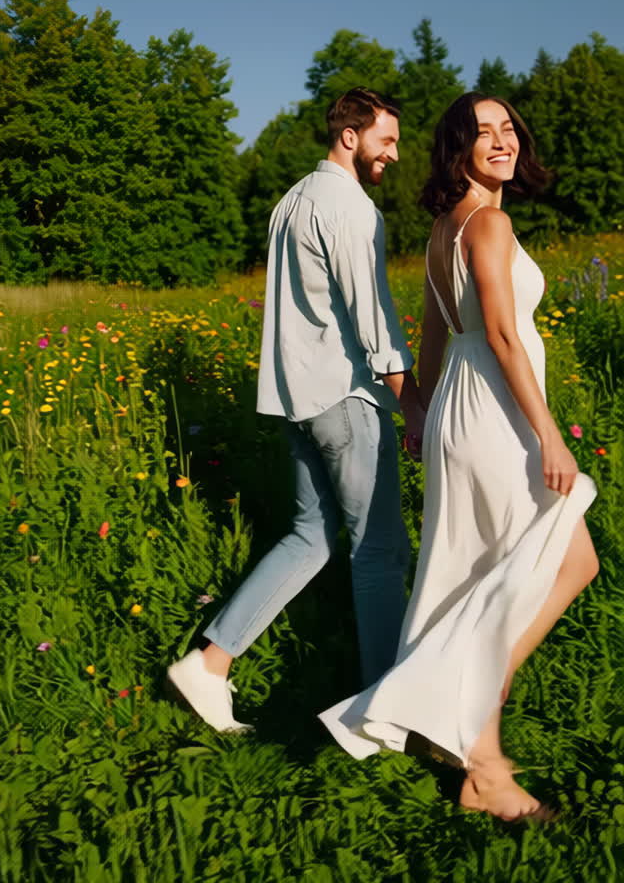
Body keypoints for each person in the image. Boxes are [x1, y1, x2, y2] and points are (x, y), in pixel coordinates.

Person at [319, 93, 598, 822]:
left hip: (460, 411)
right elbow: (503, 335)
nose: (501, 140)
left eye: (508, 128)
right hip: (498, 415)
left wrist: (423, 413)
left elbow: (435, 332)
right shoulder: (491, 222)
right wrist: (551, 435)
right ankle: (473, 712)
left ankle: (476, 753)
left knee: (488, 571)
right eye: (483, 133)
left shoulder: (449, 227)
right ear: (458, 150)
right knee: (567, 562)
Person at [168, 87, 426, 732]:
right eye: (386, 140)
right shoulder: (348, 207)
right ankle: (383, 711)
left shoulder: (292, 200)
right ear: (350, 135)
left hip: (297, 402)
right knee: (380, 552)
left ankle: (209, 664)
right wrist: (414, 407)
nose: (394, 154)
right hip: (344, 400)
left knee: (310, 538)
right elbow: (375, 321)